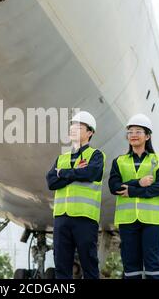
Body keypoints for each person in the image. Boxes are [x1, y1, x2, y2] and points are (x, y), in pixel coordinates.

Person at [108, 113, 159, 279]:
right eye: (130, 132)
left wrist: (133, 190)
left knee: (154, 265)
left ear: (147, 136)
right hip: (128, 220)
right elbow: (114, 187)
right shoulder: (119, 162)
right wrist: (138, 182)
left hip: (152, 221)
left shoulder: (157, 160)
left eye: (138, 131)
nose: (133, 135)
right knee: (131, 266)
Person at [46, 111, 105, 279]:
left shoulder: (96, 155)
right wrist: (74, 172)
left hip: (84, 218)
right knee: (61, 268)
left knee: (90, 266)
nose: (73, 129)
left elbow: (91, 173)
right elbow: (51, 182)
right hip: (61, 218)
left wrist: (63, 174)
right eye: (72, 126)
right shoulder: (61, 158)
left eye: (79, 127)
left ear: (90, 132)